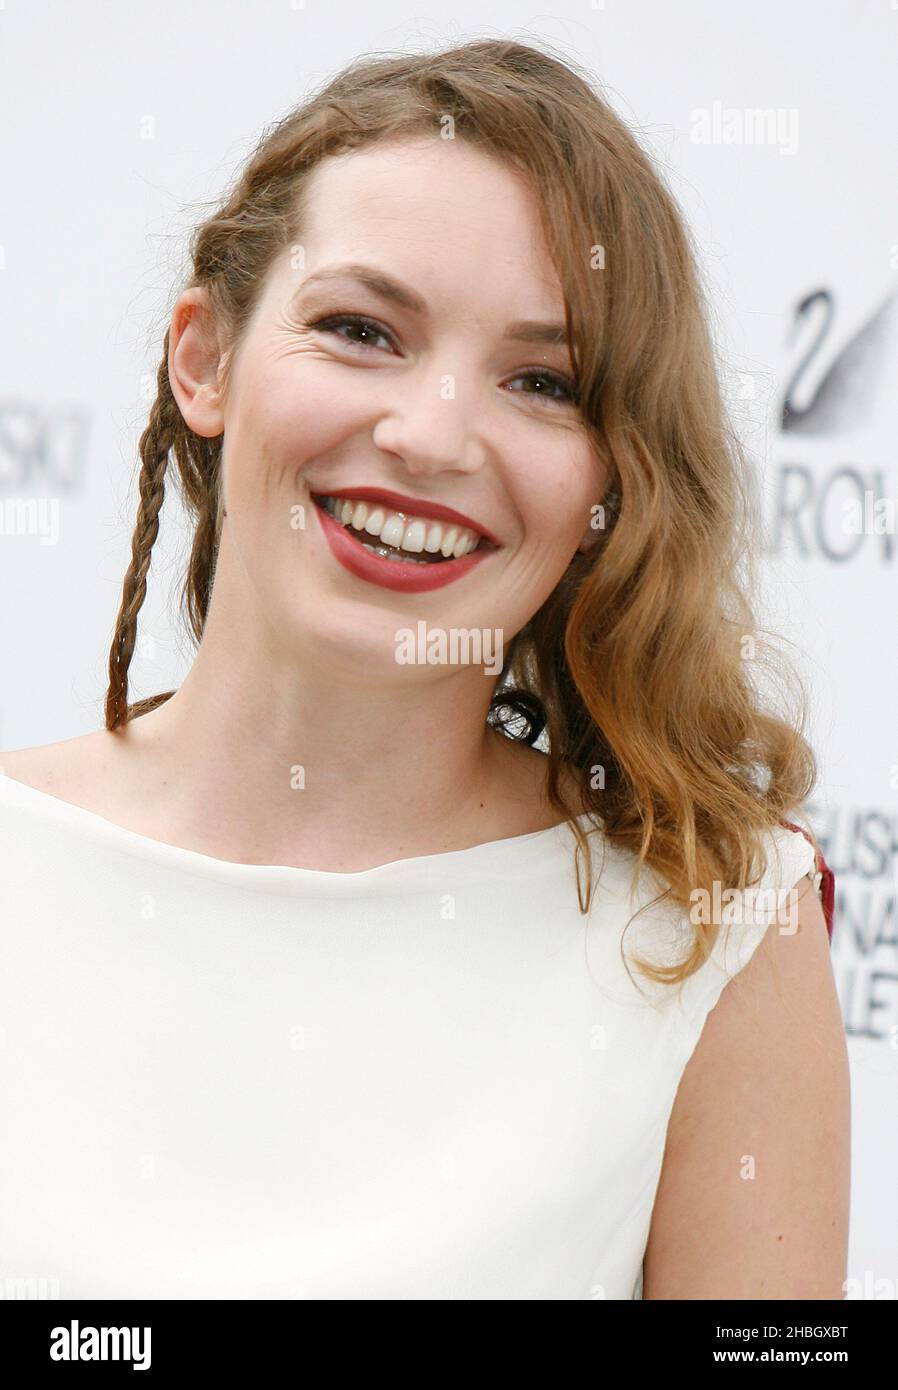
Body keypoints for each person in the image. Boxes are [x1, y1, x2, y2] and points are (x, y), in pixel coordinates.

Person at [0, 37, 848, 1300]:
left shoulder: (715, 924)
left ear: (612, 480)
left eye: (541, 382)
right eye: (361, 329)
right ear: (204, 359)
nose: (433, 435)